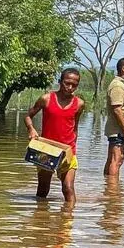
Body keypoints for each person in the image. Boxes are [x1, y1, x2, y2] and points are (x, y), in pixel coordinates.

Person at [25, 67, 85, 206]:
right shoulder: (46, 99)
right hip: (47, 150)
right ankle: (40, 219)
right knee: (43, 189)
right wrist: (31, 129)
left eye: (74, 85)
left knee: (68, 188)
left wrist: (73, 148)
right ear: (60, 81)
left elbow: (74, 128)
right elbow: (28, 116)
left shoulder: (79, 104)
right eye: (67, 83)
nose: (70, 87)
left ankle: (68, 222)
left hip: (68, 151)